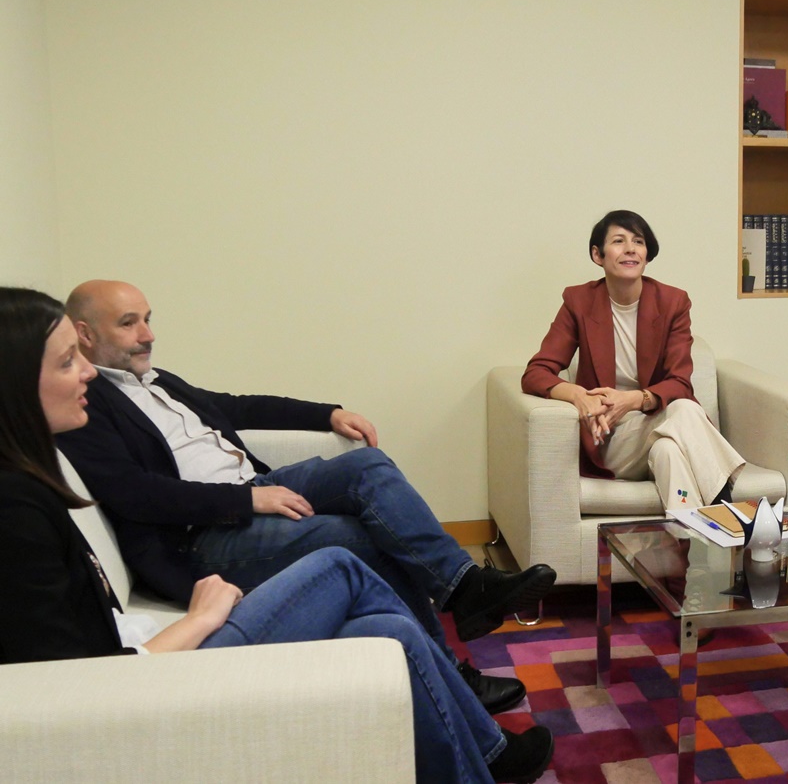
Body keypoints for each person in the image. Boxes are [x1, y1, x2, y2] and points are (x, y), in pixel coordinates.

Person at [0, 288, 555, 784]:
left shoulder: (136, 396)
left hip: (182, 596)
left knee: (374, 520)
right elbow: (75, 684)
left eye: (147, 319)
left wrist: (327, 412)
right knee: (347, 550)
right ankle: (461, 650)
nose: (89, 373)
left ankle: (481, 711)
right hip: (175, 619)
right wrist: (198, 616)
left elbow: (236, 407)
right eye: (70, 358)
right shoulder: (20, 503)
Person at [521, 209, 745, 511]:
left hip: (661, 423)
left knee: (669, 447)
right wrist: (579, 396)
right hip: (611, 439)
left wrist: (633, 399)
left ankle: (689, 544)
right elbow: (536, 373)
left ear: (647, 255)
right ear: (598, 255)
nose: (630, 249)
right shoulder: (579, 302)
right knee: (684, 410)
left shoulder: (672, 302)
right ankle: (728, 503)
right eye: (619, 241)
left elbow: (679, 383)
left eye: (638, 242)